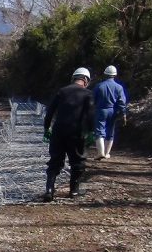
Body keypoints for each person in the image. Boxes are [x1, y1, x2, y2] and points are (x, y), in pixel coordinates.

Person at [42, 68, 95, 201]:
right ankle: (74, 191)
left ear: (73, 78)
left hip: (58, 131)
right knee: (77, 162)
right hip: (77, 133)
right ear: (86, 80)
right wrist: (91, 131)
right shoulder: (88, 94)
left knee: (55, 161)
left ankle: (49, 190)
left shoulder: (61, 91)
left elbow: (49, 112)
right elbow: (91, 115)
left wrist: (47, 128)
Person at [93, 65, 128, 159]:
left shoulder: (99, 86)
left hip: (101, 110)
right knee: (110, 131)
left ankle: (100, 153)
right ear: (115, 75)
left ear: (105, 74)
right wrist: (124, 114)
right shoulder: (119, 87)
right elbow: (121, 102)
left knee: (99, 131)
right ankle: (107, 153)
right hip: (113, 111)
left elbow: (93, 100)